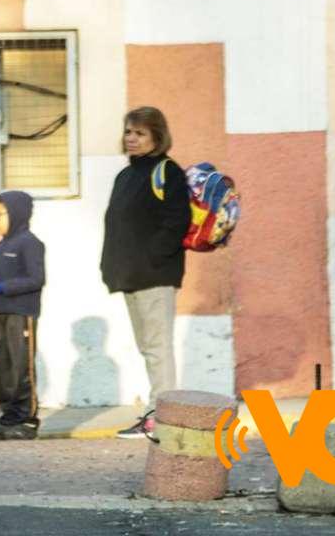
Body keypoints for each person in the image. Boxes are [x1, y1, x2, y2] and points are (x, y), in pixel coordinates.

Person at [100, 107, 191, 440]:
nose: (131, 138)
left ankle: (161, 417)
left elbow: (176, 220)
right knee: (147, 347)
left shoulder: (167, 171)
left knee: (157, 347)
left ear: (156, 135)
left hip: (154, 274)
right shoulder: (126, 176)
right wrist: (109, 266)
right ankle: (158, 412)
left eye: (139, 133)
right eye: (128, 131)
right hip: (130, 275)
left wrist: (153, 257)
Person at [0, 191, 46, 441]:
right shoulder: (0, 247)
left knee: (20, 368)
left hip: (20, 314)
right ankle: (9, 420)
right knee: (3, 371)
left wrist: (5, 288)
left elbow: (36, 279)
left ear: (16, 213)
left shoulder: (30, 242)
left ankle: (27, 420)